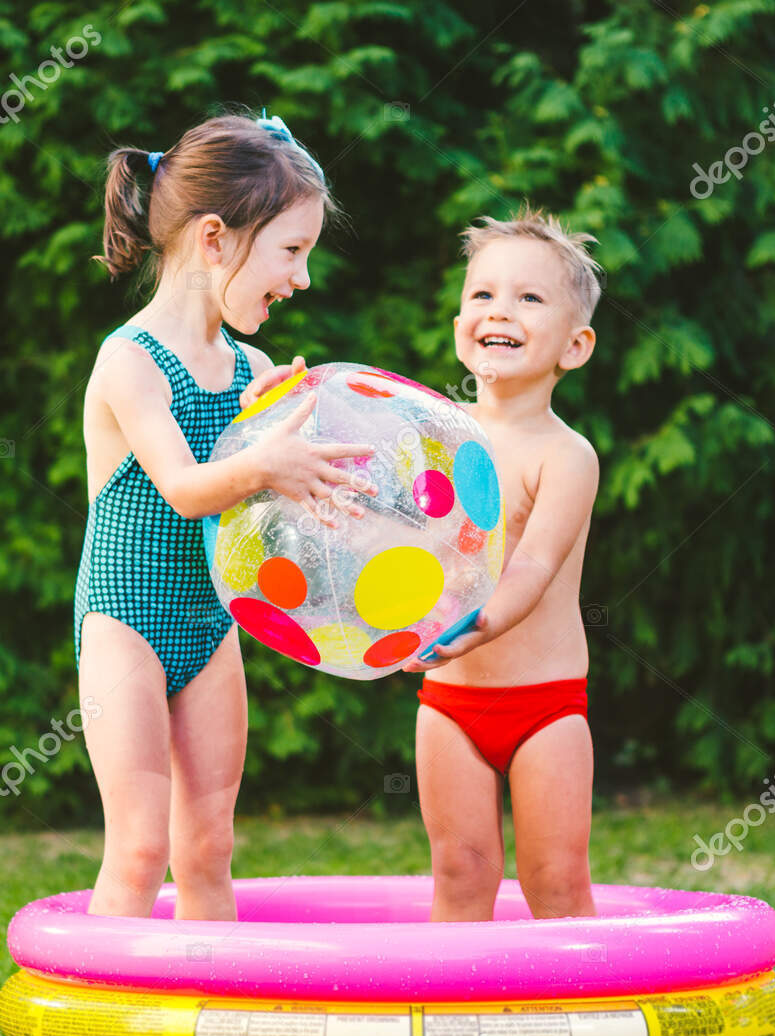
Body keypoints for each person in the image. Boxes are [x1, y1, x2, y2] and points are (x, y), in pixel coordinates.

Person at [77, 110, 376, 920]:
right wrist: (261, 460)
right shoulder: (129, 360)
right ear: (215, 238)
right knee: (140, 844)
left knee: (207, 844)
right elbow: (182, 485)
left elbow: (259, 519)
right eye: (291, 251)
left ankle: (211, 1029)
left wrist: (306, 471)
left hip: (210, 624)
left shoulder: (253, 367)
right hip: (125, 620)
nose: (302, 279)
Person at [403, 206, 605, 922]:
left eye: (528, 298)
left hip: (545, 703)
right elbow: (401, 550)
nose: (499, 310)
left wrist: (476, 622)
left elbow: (533, 566)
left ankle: (581, 1026)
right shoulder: (434, 437)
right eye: (482, 294)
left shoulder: (566, 455)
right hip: (451, 703)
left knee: (554, 877)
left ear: (573, 347)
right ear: (460, 322)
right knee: (460, 871)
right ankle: (455, 1025)